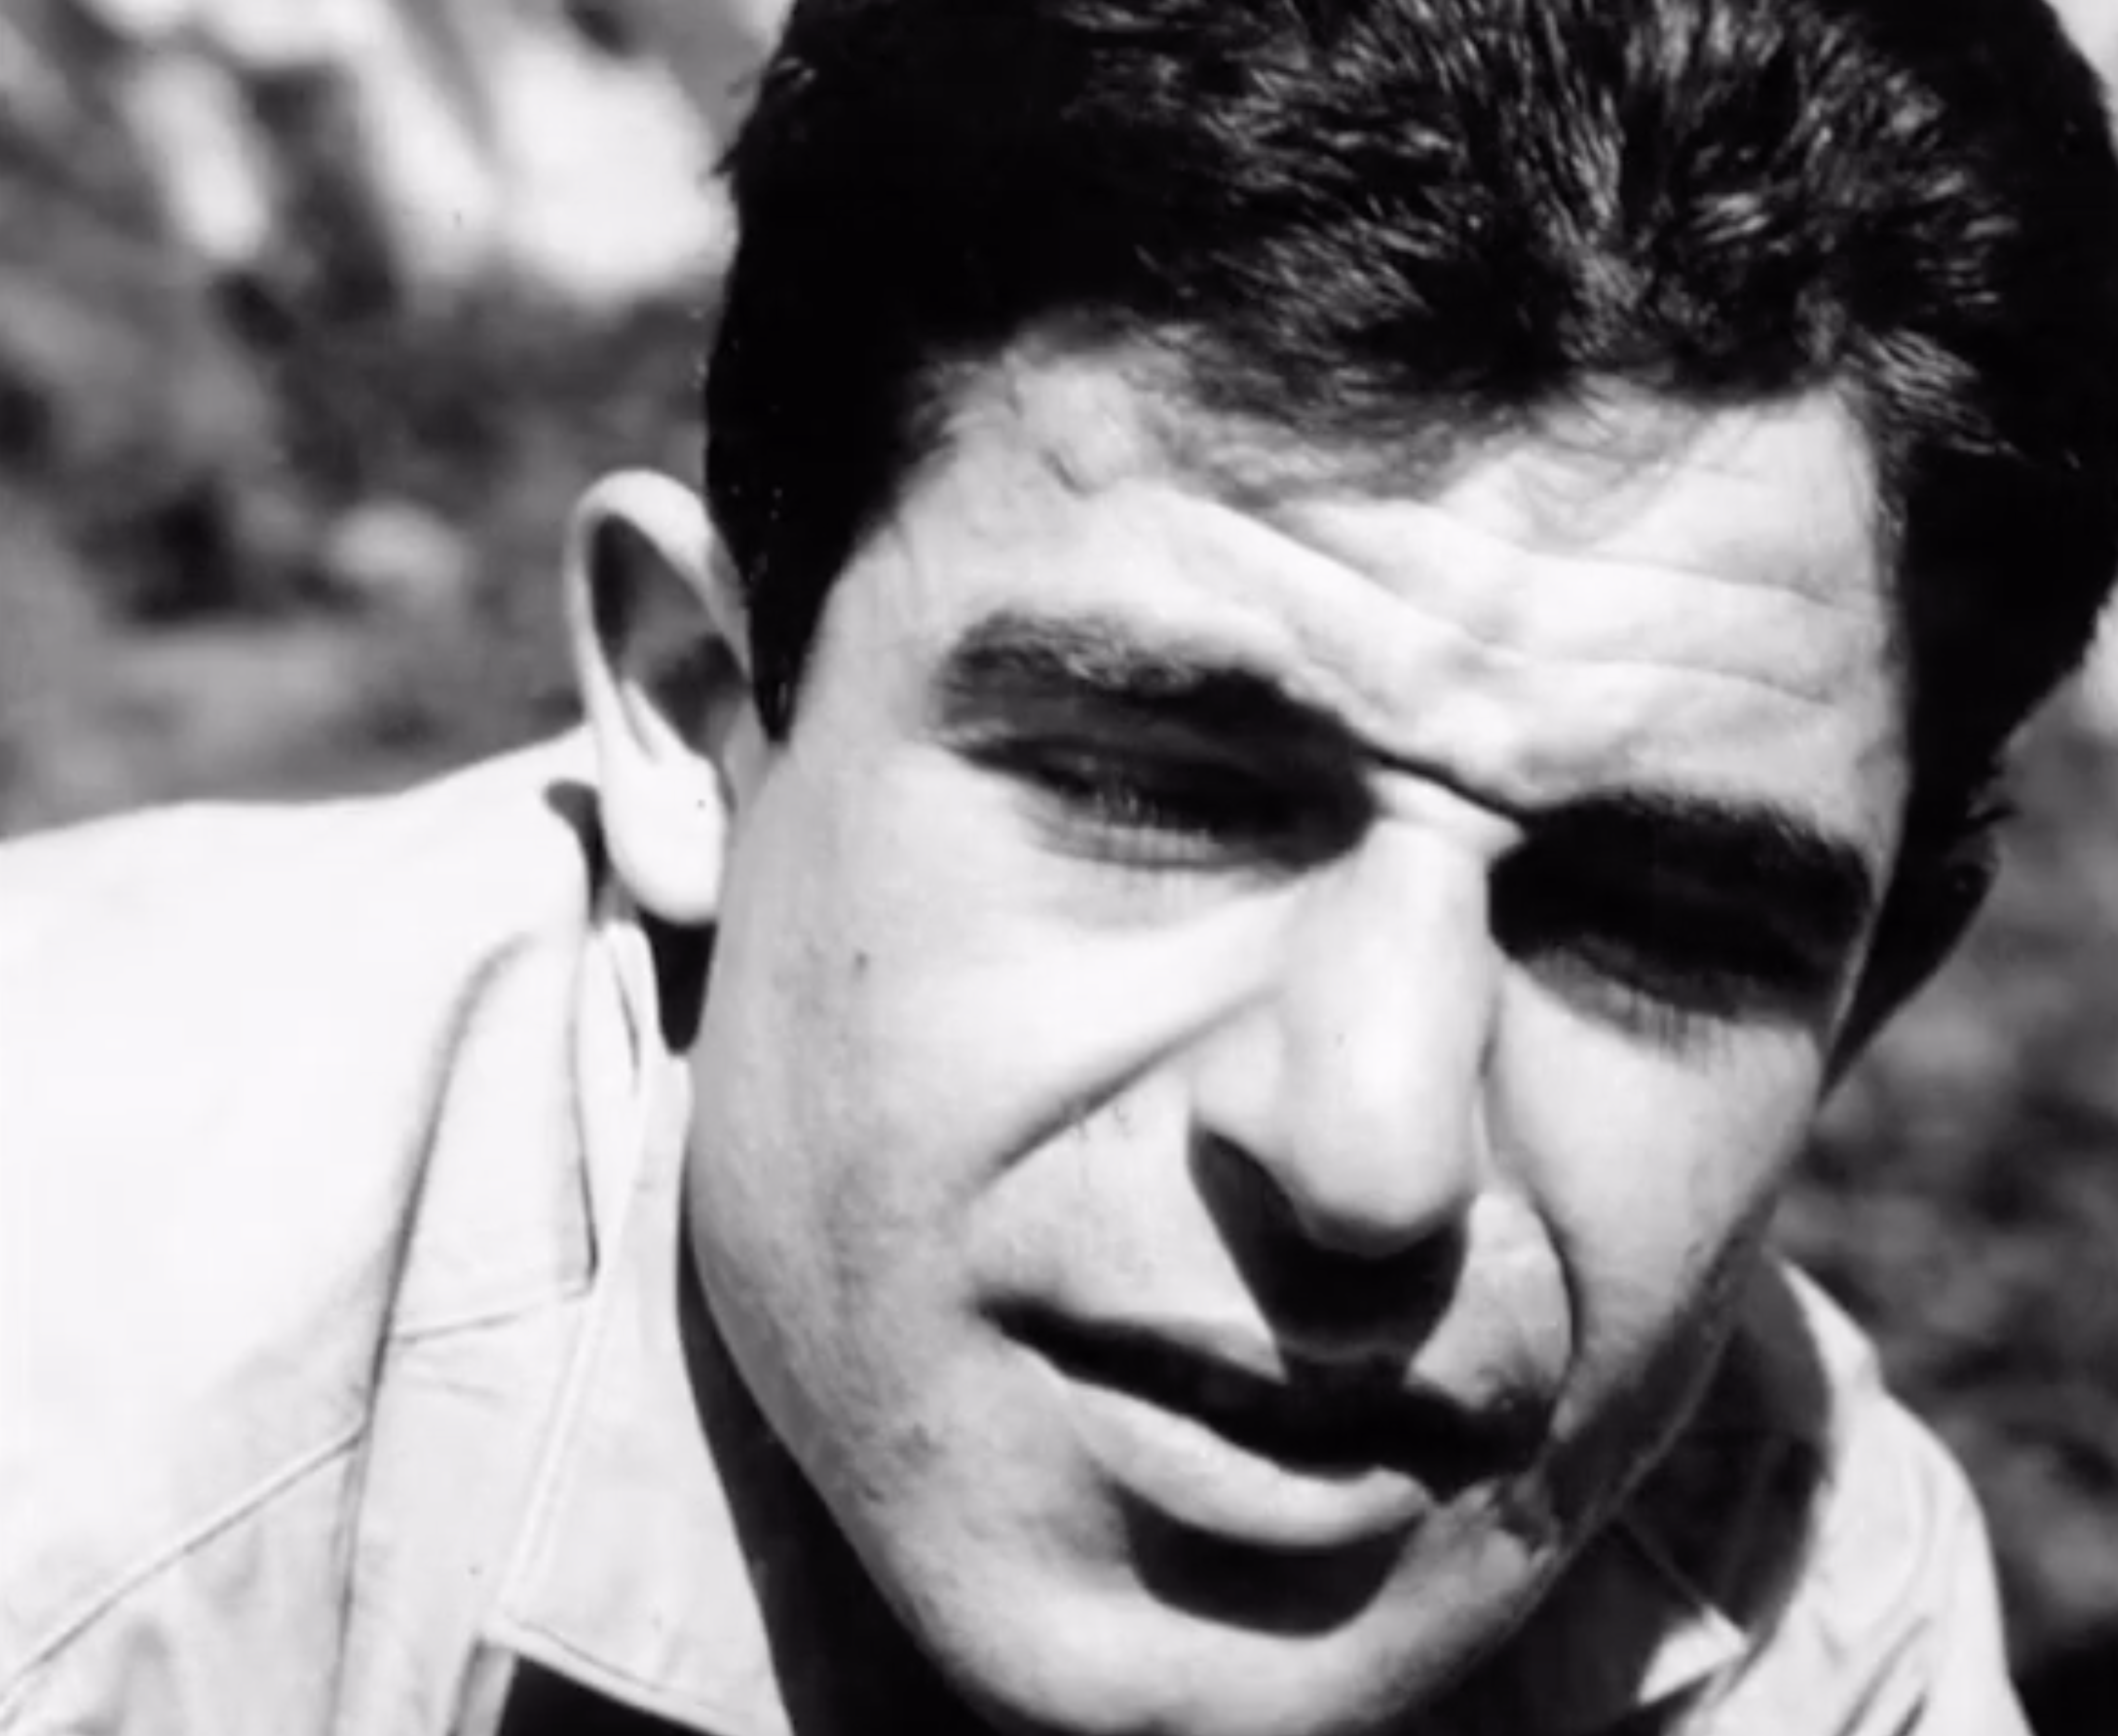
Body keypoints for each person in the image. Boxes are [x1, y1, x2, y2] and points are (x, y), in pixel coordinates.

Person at [5, 0, 2117, 1731]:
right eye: (1161, 795)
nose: (1370, 1150)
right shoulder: (79, 1466)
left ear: (1867, 1002)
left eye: (1656, 927)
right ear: (692, 720)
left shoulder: (1798, 1616)